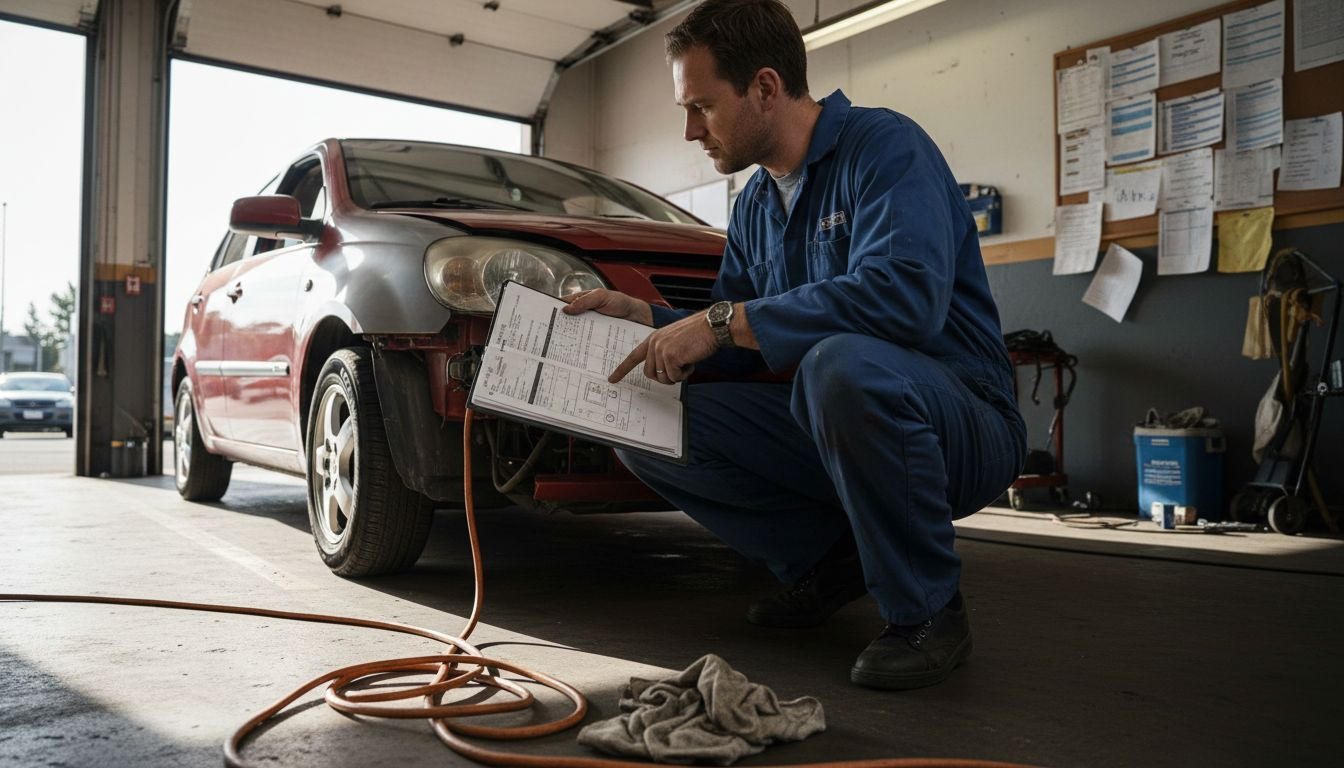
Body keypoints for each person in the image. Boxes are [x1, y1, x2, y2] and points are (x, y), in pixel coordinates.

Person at [562, 0, 1026, 690]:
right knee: (642, 423)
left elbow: (906, 298)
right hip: (834, 415)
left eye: (703, 107)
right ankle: (826, 559)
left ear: (767, 88)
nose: (690, 131)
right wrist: (653, 323)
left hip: (959, 416)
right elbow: (737, 344)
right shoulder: (753, 205)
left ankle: (928, 611)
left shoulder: (884, 148)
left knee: (839, 365)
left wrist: (718, 323)